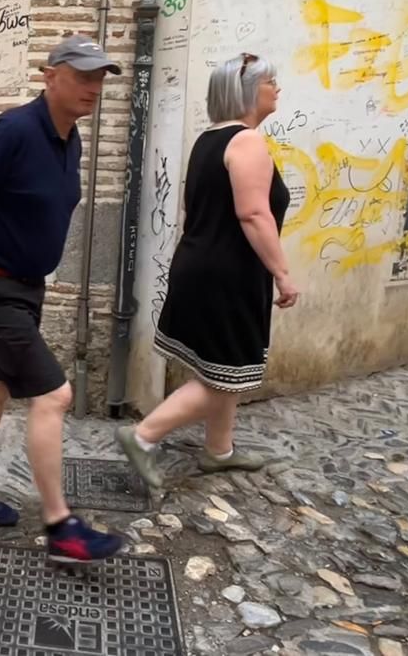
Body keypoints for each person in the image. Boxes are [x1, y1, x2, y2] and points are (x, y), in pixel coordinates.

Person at [0, 34, 126, 564]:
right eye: (82, 75)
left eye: (101, 77)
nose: (93, 87)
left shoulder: (70, 138)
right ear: (50, 74)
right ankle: (61, 526)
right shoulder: (12, 131)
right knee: (54, 396)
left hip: (21, 284)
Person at [116, 52, 298, 490]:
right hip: (228, 275)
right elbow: (254, 215)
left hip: (200, 265)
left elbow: (191, 211)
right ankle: (142, 437)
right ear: (249, 90)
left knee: (220, 369)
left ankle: (219, 451)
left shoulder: (208, 140)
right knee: (226, 373)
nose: (277, 89)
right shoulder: (248, 142)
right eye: (271, 81)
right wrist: (282, 273)